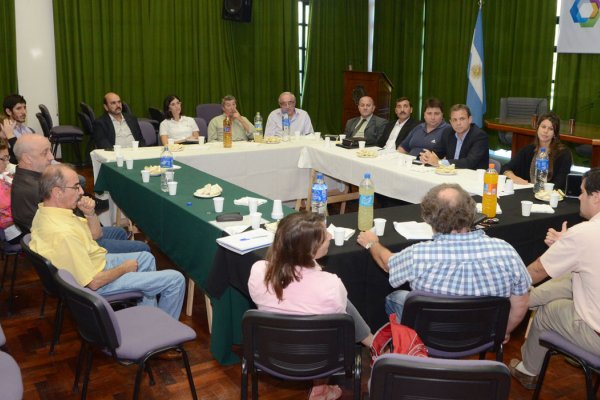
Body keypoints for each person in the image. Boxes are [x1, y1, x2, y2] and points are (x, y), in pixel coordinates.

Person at [357, 183, 530, 341]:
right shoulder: (506, 251)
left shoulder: (418, 255)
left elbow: (387, 263)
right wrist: (503, 331)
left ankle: (409, 349)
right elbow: (521, 302)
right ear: (472, 211)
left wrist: (373, 243)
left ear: (429, 219)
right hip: (483, 334)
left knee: (393, 298)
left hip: (431, 335)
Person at [29, 164, 185, 320]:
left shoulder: (47, 212)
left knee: (146, 257)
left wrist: (90, 214)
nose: (82, 192)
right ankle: (162, 330)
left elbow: (96, 235)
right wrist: (124, 268)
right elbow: (93, 283)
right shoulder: (63, 233)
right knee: (175, 280)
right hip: (96, 284)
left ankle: (147, 318)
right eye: (76, 187)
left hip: (95, 262)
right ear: (57, 192)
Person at [248, 212, 373, 400]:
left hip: (271, 353)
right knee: (332, 322)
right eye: (325, 236)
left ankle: (371, 343)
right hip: (320, 359)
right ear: (310, 251)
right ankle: (372, 344)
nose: (330, 236)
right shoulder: (331, 284)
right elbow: (336, 327)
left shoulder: (258, 272)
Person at [509, 167, 600, 390]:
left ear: (595, 197)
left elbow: (536, 272)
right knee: (572, 277)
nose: (579, 197)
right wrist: (565, 245)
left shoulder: (585, 233)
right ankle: (521, 302)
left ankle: (528, 371)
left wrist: (506, 284)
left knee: (550, 310)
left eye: (581, 192)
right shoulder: (583, 235)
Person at [11, 135, 149, 253]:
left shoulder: (26, 179)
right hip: (77, 244)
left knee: (119, 232)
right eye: (45, 152)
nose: (51, 156)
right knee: (143, 249)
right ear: (27, 158)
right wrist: (90, 214)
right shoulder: (38, 189)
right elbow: (80, 233)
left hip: (76, 232)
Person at [501, 112, 572, 190]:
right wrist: (514, 177)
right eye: (543, 127)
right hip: (527, 193)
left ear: (555, 134)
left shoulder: (564, 154)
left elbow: (560, 184)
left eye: (551, 129)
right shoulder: (529, 150)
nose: (545, 131)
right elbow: (505, 168)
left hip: (549, 196)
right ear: (537, 128)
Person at [420, 104, 489, 170]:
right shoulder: (448, 132)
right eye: (454, 120)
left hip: (473, 177)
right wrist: (426, 157)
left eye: (462, 119)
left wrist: (440, 163)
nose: (458, 123)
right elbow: (437, 152)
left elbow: (469, 162)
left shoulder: (479, 136)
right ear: (450, 122)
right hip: (451, 174)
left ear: (470, 119)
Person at [0, 138, 23, 244]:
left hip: (19, 221)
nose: (7, 162)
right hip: (13, 231)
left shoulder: (4, 174)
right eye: (3, 159)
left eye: (7, 157)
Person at [2, 94, 35, 164]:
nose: (24, 112)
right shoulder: (3, 130)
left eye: (24, 107)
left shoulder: (26, 129)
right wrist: (9, 135)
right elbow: (19, 156)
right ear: (9, 112)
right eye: (18, 108)